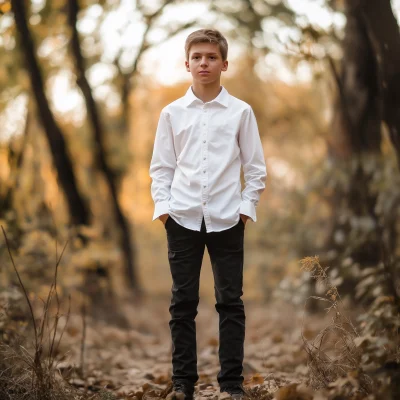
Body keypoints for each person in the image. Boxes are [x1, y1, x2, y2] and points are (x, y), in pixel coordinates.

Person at [149, 28, 267, 400]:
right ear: (187, 63)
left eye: (211, 57)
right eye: (197, 57)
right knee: (182, 303)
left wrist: (245, 211)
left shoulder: (241, 112)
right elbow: (161, 169)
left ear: (224, 64)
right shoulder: (171, 113)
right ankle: (183, 383)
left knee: (230, 303)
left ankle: (231, 384)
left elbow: (256, 168)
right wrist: (164, 210)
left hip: (228, 219)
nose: (204, 62)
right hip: (181, 218)